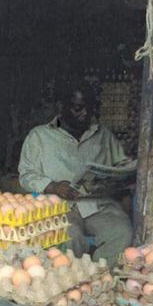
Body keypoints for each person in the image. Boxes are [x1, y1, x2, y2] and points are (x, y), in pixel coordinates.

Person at [18, 78, 133, 268]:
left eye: (89, 109)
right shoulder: (39, 136)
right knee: (69, 239)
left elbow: (122, 167)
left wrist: (118, 181)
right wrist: (53, 186)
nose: (85, 114)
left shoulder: (104, 135)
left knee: (122, 232)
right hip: (60, 208)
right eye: (78, 108)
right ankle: (72, 284)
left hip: (98, 206)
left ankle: (100, 278)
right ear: (60, 107)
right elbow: (26, 175)